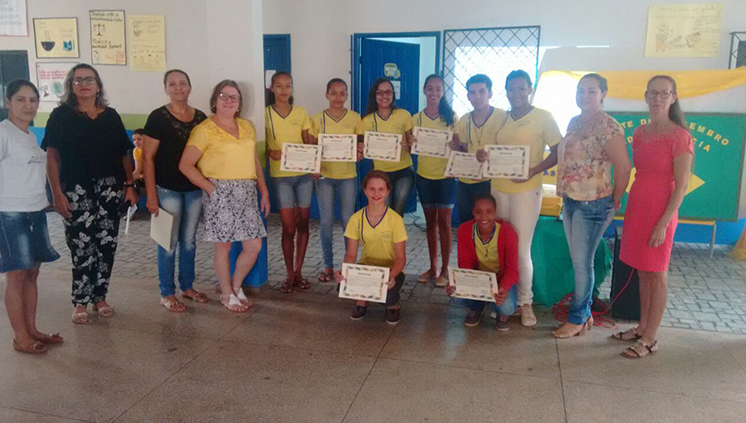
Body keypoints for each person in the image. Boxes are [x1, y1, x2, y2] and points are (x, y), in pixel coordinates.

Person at [530, 73, 632, 338]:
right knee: (579, 261)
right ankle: (583, 314)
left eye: (591, 91)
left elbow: (623, 166)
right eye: (580, 91)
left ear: (603, 95)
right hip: (571, 201)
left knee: (581, 263)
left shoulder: (608, 126)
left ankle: (577, 317)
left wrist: (616, 199)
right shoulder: (575, 122)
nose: (584, 96)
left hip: (594, 204)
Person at [43, 64, 138, 324]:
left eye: (89, 79)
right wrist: (56, 193)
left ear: (98, 85)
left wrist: (130, 186)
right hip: (76, 189)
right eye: (78, 80)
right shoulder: (61, 116)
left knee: (106, 245)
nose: (84, 84)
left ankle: (100, 296)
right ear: (71, 86)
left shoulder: (111, 116)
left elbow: (124, 153)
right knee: (81, 245)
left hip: (110, 189)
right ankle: (80, 300)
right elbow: (52, 157)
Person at [614, 75, 693, 358]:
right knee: (642, 270)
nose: (658, 98)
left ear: (673, 97)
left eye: (664, 93)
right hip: (638, 206)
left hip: (662, 211)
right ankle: (641, 326)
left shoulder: (680, 136)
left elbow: (681, 185)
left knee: (656, 273)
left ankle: (650, 338)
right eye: (653, 93)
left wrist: (663, 222)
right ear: (646, 96)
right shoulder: (640, 133)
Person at [477, 70, 563, 327]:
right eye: (511, 89)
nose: (516, 94)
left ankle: (526, 303)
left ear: (530, 89)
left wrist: (534, 170)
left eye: (521, 88)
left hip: (527, 191)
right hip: (498, 188)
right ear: (505, 91)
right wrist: (483, 155)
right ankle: (506, 302)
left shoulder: (543, 117)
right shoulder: (501, 118)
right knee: (501, 247)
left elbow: (559, 151)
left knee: (521, 249)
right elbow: (491, 149)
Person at [180, 80, 269, 313]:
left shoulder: (247, 126)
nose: (229, 101)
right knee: (225, 247)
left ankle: (236, 286)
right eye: (223, 96)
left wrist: (264, 191)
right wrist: (210, 189)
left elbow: (254, 161)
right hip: (220, 191)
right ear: (214, 100)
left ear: (239, 103)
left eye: (234, 97)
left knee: (254, 245)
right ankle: (226, 293)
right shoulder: (204, 129)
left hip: (247, 192)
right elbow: (186, 165)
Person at [0, 79, 61, 354]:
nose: (28, 105)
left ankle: (32, 328)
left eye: (33, 100)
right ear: (8, 103)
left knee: (33, 273)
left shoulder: (28, 135)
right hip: (11, 213)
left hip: (36, 210)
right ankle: (20, 337)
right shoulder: (3, 133)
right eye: (21, 100)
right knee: (17, 275)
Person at [143, 69, 209, 312]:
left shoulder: (201, 118)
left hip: (193, 190)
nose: (178, 88)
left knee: (189, 241)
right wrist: (151, 194)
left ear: (190, 88)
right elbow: (148, 159)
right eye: (172, 84)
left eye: (183, 83)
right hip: (166, 190)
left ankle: (187, 286)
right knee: (167, 242)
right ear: (166, 89)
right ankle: (166, 292)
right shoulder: (157, 117)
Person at [335, 170, 407, 325]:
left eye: (381, 189)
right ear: (365, 190)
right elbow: (351, 254)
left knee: (388, 293)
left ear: (388, 191)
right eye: (372, 189)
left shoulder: (396, 220)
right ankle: (362, 301)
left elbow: (401, 258)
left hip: (390, 270)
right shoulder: (355, 219)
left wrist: (391, 277)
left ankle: (393, 304)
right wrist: (345, 271)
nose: (376, 193)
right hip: (367, 267)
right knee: (342, 284)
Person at [265, 72, 314, 293]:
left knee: (303, 223)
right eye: (279, 86)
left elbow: (309, 143)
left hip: (303, 176)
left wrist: (314, 162)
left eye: (288, 86)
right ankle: (288, 274)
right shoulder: (264, 114)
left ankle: (299, 272)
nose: (284, 90)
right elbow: (261, 146)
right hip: (281, 177)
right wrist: (270, 152)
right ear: (272, 88)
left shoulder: (301, 113)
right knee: (288, 226)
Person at [310, 78, 362, 283]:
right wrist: (313, 166)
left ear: (347, 95)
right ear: (327, 95)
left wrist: (359, 153)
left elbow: (360, 146)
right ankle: (328, 265)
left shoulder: (355, 118)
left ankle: (348, 265)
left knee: (348, 222)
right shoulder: (316, 119)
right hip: (324, 176)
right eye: (334, 93)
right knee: (326, 222)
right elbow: (313, 148)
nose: (338, 97)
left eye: (342, 93)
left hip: (348, 176)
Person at [412, 74, 459, 287]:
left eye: (438, 89)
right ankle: (432, 267)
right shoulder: (416, 119)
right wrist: (410, 141)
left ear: (443, 91)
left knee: (445, 223)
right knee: (430, 223)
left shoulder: (452, 118)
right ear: (424, 90)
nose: (434, 93)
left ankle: (445, 270)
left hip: (447, 177)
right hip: (424, 176)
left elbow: (459, 146)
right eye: (430, 88)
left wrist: (454, 148)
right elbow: (409, 144)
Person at [446, 194, 519, 330]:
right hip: (477, 279)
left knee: (506, 307)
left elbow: (512, 270)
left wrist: (503, 287)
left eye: (489, 212)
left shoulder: (508, 232)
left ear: (495, 212)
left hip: (500, 280)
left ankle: (498, 311)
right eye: (478, 212)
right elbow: (465, 263)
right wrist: (459, 282)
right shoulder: (465, 230)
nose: (484, 217)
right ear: (473, 212)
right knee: (455, 296)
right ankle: (476, 307)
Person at [453, 74, 508, 223]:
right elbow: (464, 149)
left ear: (490, 93)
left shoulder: (503, 116)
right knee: (466, 223)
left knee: (488, 224)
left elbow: (509, 149)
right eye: (472, 92)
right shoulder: (464, 119)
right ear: (468, 96)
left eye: (482, 91)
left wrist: (489, 156)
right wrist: (455, 154)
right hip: (465, 182)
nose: (477, 96)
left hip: (490, 181)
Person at [356, 78, 414, 217]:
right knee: (384, 213)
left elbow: (412, 144)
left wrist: (409, 145)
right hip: (380, 174)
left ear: (393, 94)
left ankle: (397, 239)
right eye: (380, 92)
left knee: (398, 213)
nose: (384, 96)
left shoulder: (403, 115)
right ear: (374, 96)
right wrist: (360, 149)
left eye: (388, 92)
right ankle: (384, 239)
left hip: (404, 171)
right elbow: (359, 148)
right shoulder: (366, 120)